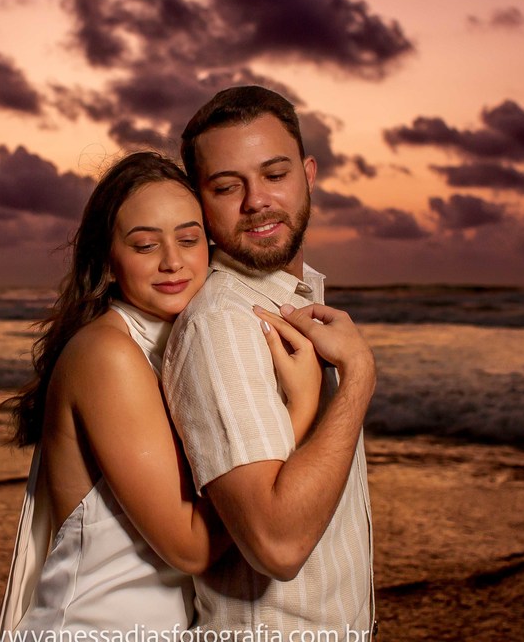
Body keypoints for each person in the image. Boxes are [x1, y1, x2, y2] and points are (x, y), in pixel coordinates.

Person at [0, 151, 330, 632]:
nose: (173, 262)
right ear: (108, 261)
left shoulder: (170, 344)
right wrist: (297, 409)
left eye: (188, 239)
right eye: (145, 246)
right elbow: (190, 547)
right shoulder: (107, 355)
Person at [161, 85, 378, 637]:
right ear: (199, 201)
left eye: (274, 175)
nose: (256, 200)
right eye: (228, 186)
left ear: (308, 175)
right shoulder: (222, 326)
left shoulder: (297, 300)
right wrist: (359, 379)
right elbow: (277, 546)